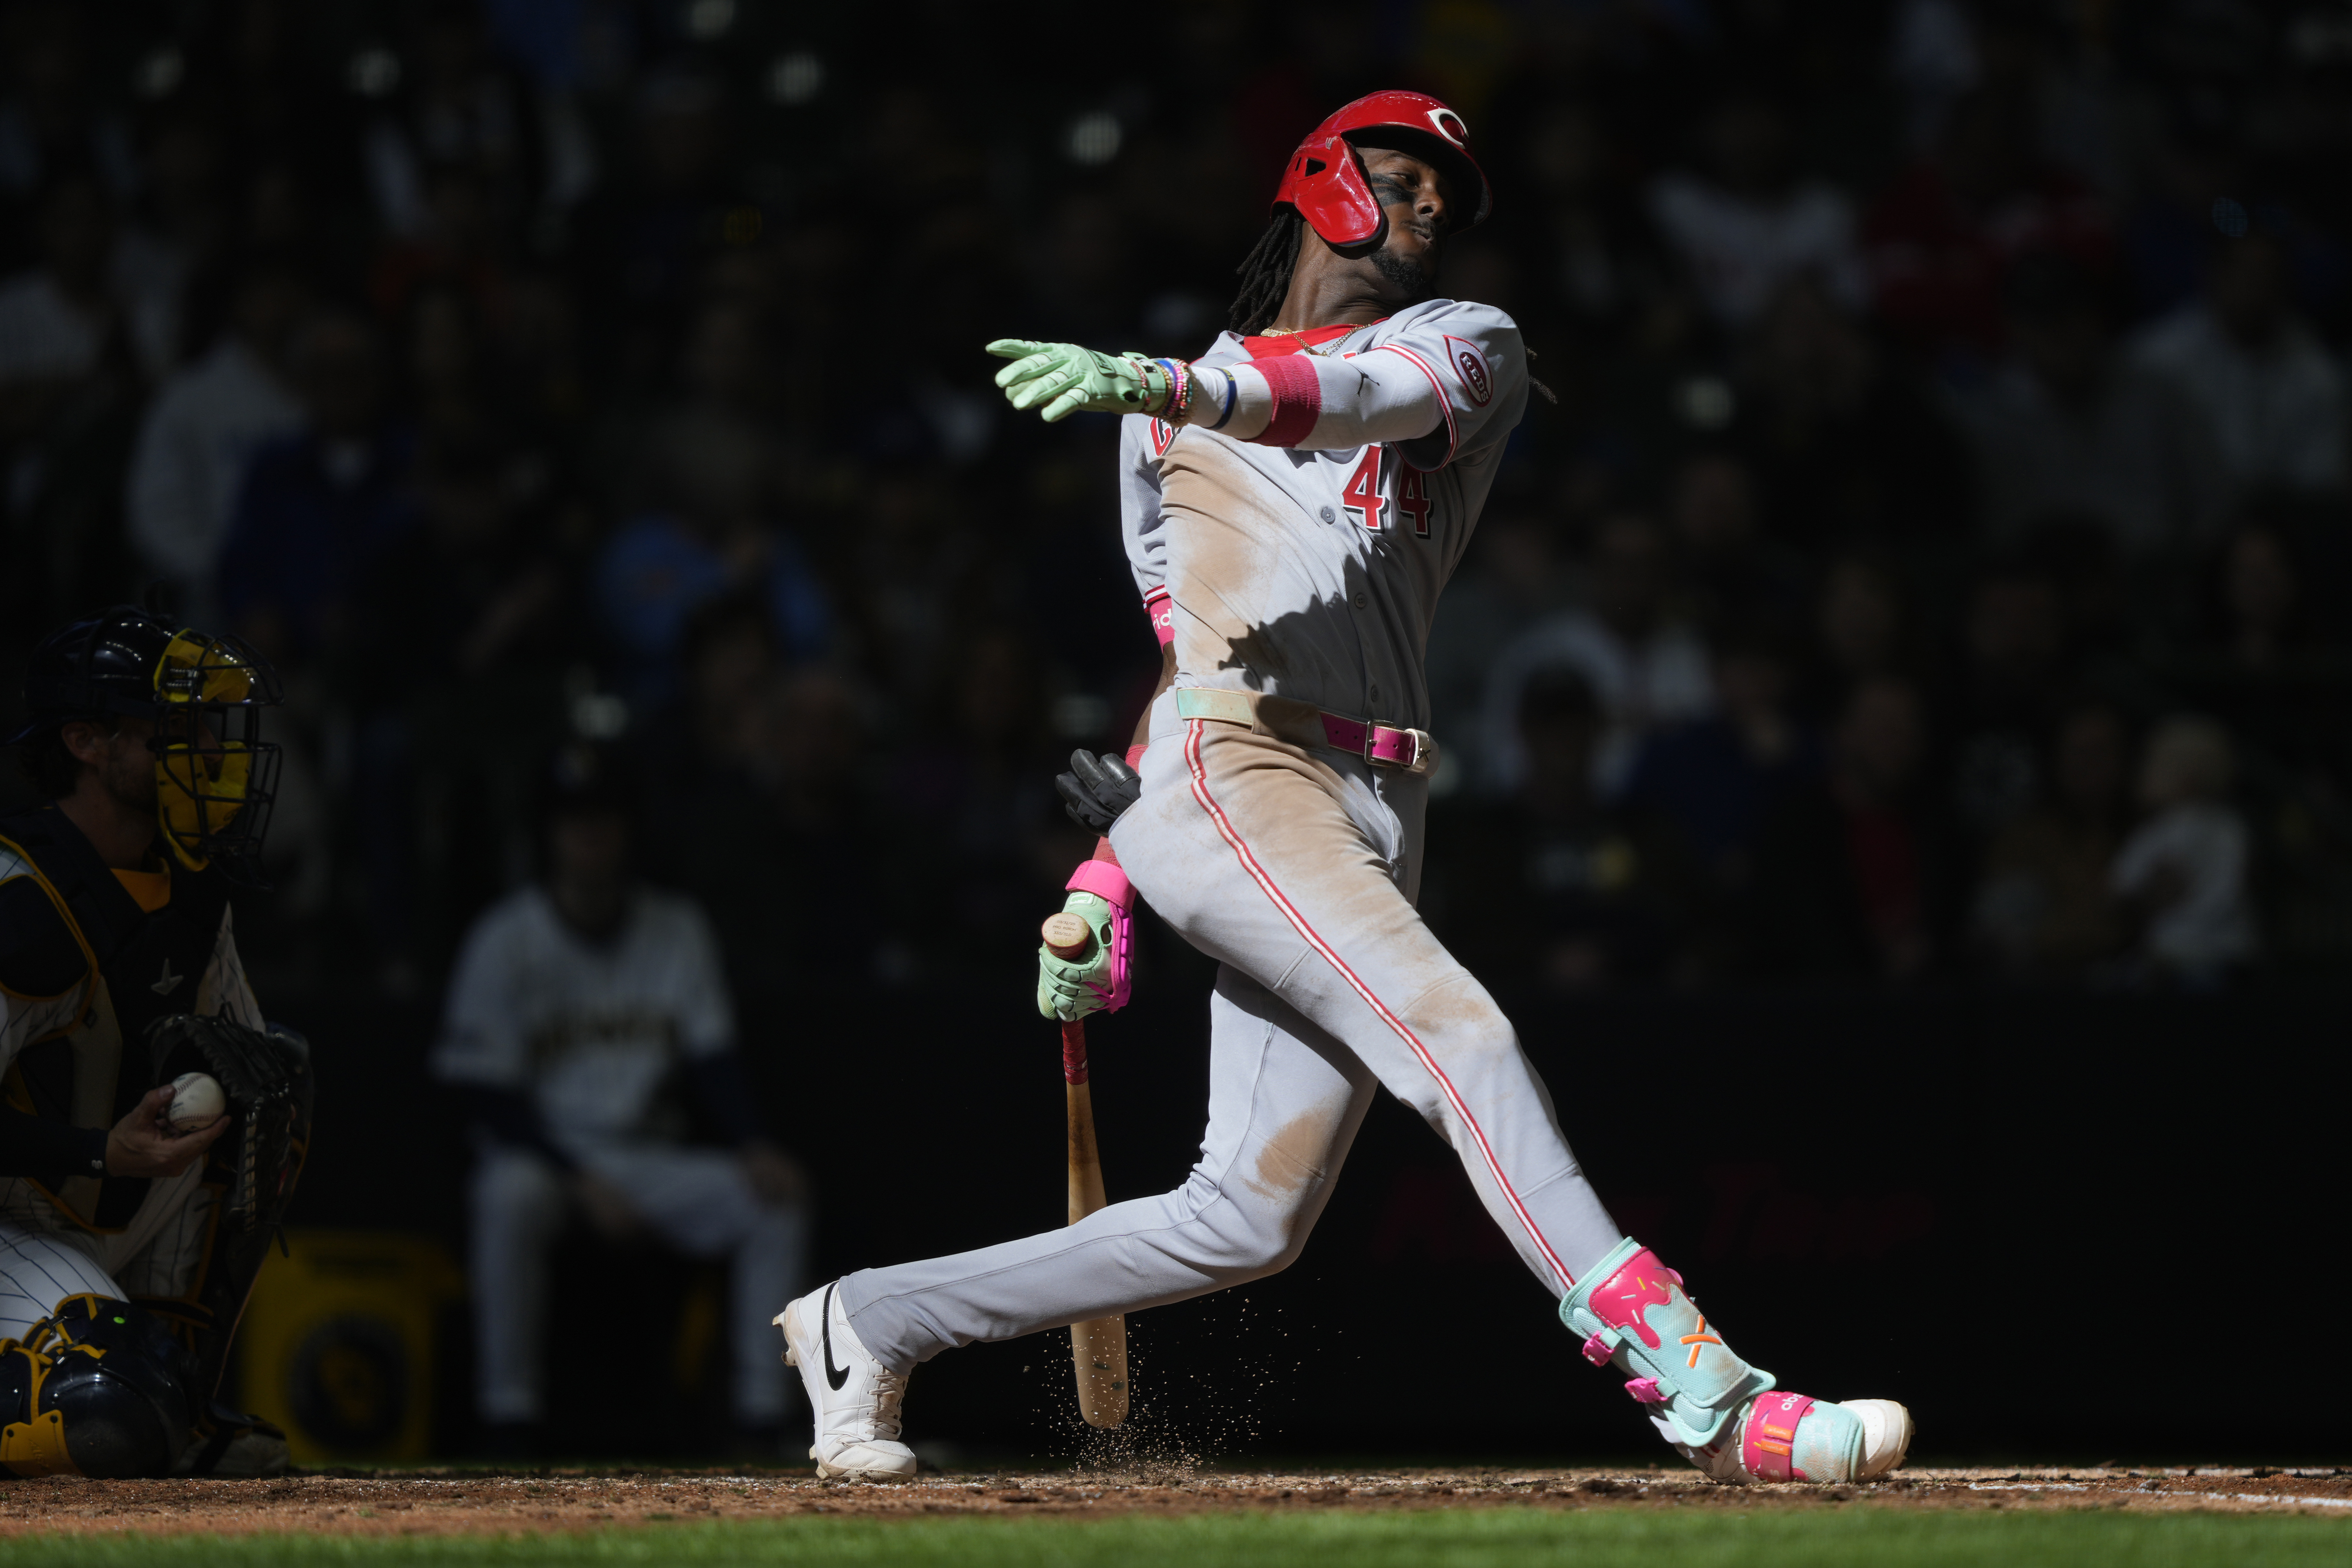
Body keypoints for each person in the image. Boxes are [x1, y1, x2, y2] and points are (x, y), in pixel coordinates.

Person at [773, 92, 1910, 1488]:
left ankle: (867, 1317)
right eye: (1405, 173)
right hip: (1235, 776)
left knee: (1244, 1217)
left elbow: (1347, 402)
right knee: (1466, 1036)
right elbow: (1195, 669)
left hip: (1374, 800)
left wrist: (1174, 385)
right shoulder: (1158, 414)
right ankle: (1709, 1390)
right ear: (1320, 175)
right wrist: (1103, 880)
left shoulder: (1458, 344)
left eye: (1450, 193)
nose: (1432, 205)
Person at [431, 742, 810, 1454]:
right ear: (547, 832)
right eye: (574, 818)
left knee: (775, 1197)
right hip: (544, 1158)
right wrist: (579, 1179)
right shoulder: (505, 938)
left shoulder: (676, 928)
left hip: (646, 1157)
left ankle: (765, 1417)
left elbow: (713, 1058)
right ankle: (506, 1415)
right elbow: (481, 1095)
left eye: (603, 816)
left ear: (630, 827)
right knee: (506, 1195)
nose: (590, 833)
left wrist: (751, 1140)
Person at [0, 605, 307, 1476]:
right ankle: (139, 1395)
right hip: (9, 1222)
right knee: (107, 1416)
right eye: (171, 727)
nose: (208, 749)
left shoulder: (191, 886)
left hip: (83, 1211)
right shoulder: (19, 900)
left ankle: (184, 1395)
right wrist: (102, 1150)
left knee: (272, 1085)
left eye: (205, 726)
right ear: (87, 742)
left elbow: (246, 1063)